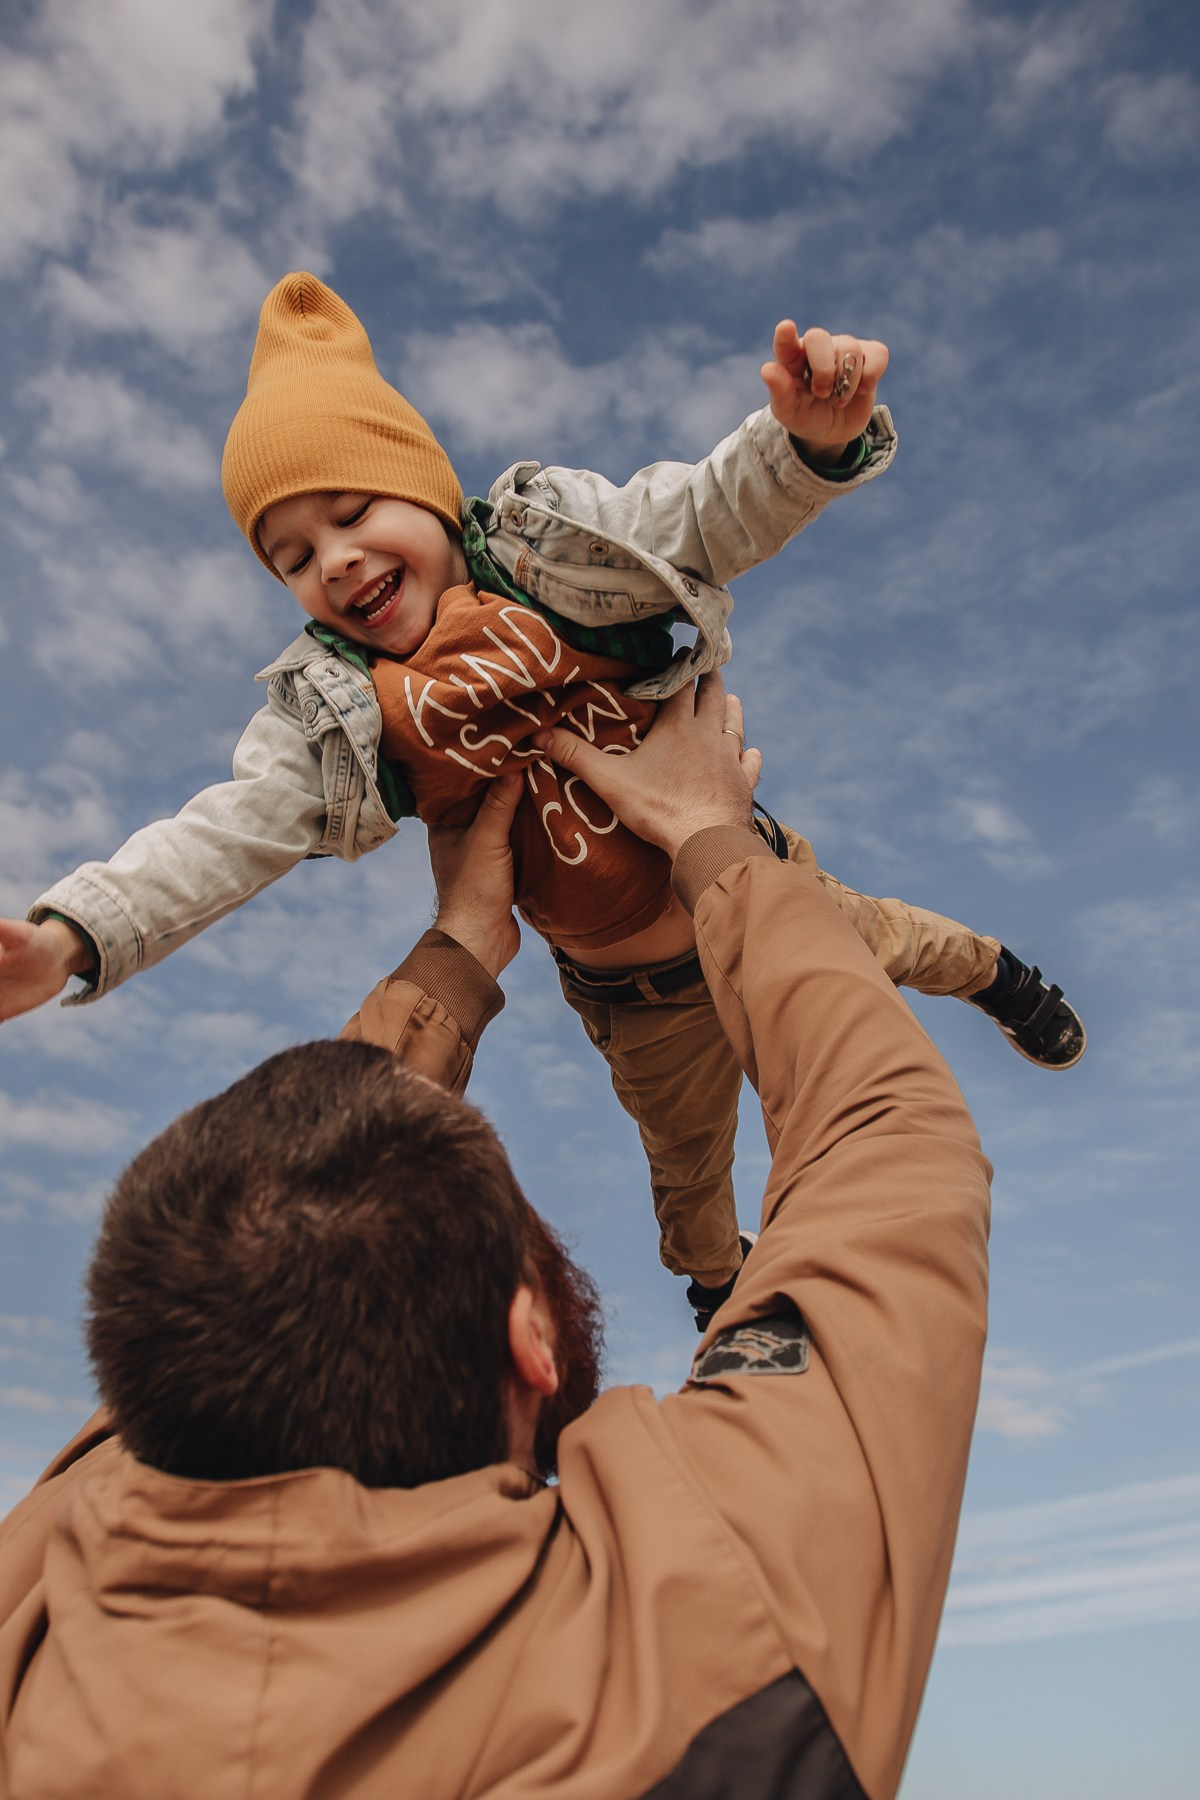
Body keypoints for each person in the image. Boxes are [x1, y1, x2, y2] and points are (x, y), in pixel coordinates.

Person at [0, 274, 1080, 1320]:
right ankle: (716, 1285)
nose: (334, 560)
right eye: (292, 556)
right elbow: (222, 834)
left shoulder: (551, 544)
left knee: (891, 942)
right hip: (637, 994)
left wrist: (805, 447)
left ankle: (998, 973)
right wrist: (73, 939)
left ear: (423, 487)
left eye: (352, 511)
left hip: (747, 880)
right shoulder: (343, 708)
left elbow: (704, 515)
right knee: (687, 1167)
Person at [0, 672, 992, 1800]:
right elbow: (885, 1139)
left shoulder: (33, 1600)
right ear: (530, 1335)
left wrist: (461, 947)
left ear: (140, 1371)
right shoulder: (709, 1639)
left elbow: (247, 1266)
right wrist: (715, 841)